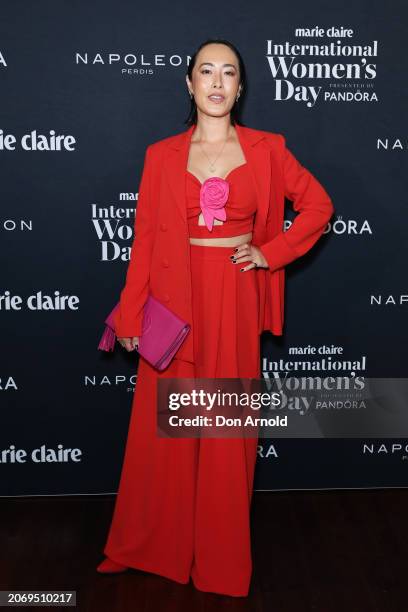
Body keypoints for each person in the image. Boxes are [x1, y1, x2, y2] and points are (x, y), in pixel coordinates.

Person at [96, 38, 334, 597]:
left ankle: (221, 563)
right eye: (207, 71)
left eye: (229, 73)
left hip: (232, 295)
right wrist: (130, 313)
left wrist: (268, 253)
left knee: (227, 434)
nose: (218, 82)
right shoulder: (160, 155)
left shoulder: (269, 149)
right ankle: (147, 546)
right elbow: (145, 243)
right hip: (174, 302)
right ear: (189, 84)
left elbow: (318, 206)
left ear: (241, 87)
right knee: (167, 434)